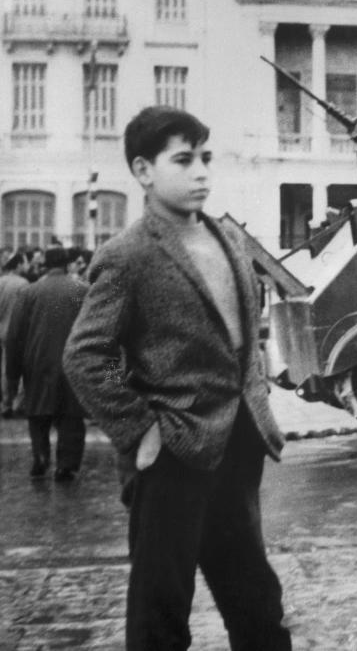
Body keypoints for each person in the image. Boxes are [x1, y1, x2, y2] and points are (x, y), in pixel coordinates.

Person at [62, 106, 292, 650]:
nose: (201, 173)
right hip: (172, 455)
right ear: (144, 171)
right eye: (184, 160)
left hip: (239, 443)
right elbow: (84, 354)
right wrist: (141, 430)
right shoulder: (129, 255)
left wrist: (256, 401)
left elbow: (242, 342)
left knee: (255, 598)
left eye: (206, 159)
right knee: (161, 609)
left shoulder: (229, 240)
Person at [6, 246, 89, 479]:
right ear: (67, 264)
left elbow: (14, 336)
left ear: (44, 265)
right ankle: (67, 464)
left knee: (38, 412)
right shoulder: (82, 291)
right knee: (71, 416)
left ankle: (41, 455)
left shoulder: (29, 292)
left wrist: (13, 374)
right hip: (73, 362)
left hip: (37, 361)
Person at [0, 252, 30, 418]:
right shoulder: (22, 283)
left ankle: (5, 403)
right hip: (19, 333)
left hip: (3, 331)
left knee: (5, 369)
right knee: (22, 369)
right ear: (18, 265)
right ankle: (18, 403)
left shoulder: (0, 281)